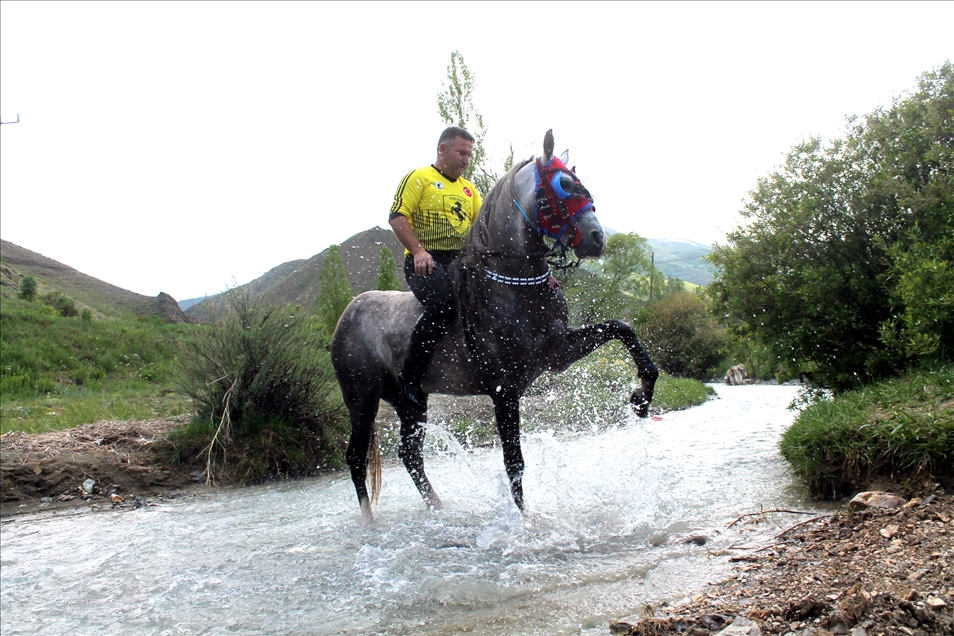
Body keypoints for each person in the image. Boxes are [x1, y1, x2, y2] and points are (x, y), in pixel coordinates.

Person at [389, 126, 483, 410]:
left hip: (461, 262)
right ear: (442, 149)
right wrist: (418, 251)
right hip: (426, 261)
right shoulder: (419, 178)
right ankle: (411, 377)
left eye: (469, 154)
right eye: (461, 152)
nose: (466, 159)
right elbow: (397, 217)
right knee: (443, 305)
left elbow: (482, 229)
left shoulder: (470, 190)